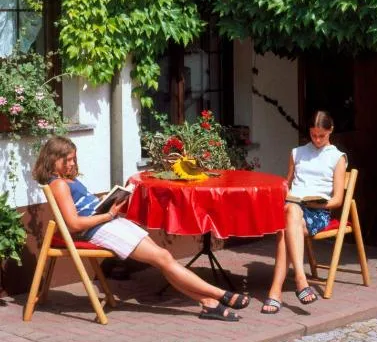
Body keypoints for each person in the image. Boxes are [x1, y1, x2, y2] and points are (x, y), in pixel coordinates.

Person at [33, 135, 249, 322]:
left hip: (108, 222)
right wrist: (108, 214)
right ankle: (221, 294)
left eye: (73, 158)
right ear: (53, 159)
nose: (72, 164)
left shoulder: (65, 180)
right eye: (67, 159)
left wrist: (105, 203)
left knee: (164, 259)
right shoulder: (59, 184)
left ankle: (209, 303)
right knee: (163, 258)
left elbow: (82, 209)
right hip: (101, 229)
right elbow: (74, 223)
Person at [261, 110, 347, 314]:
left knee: (285, 226)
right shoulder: (297, 153)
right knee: (290, 212)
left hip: (318, 212)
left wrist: (316, 204)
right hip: (294, 208)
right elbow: (286, 184)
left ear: (330, 130)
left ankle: (276, 291)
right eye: (313, 135)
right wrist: (288, 195)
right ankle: (300, 281)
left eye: (322, 136)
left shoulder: (337, 158)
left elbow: (337, 200)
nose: (317, 140)